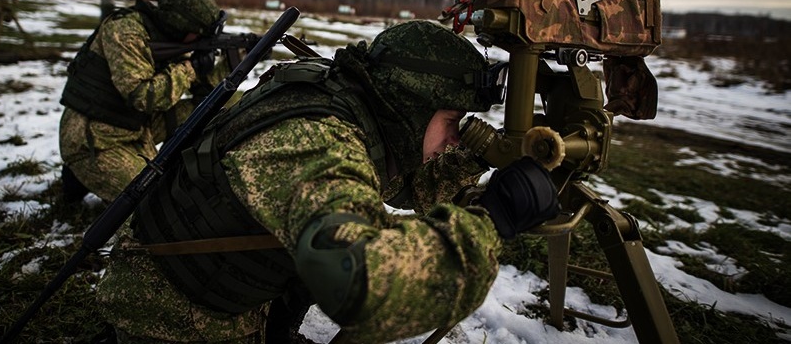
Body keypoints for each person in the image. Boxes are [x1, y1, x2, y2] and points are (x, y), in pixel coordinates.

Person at [95, 20, 560, 343]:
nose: (456, 137)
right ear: (412, 105)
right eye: (452, 121)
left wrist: (475, 159)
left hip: (217, 292)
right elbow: (359, 284)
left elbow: (401, 186)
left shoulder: (353, 101)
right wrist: (490, 224)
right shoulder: (319, 138)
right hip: (175, 319)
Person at [58, 0, 229, 203]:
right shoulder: (126, 32)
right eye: (197, 34)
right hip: (96, 137)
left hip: (135, 125)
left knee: (216, 108)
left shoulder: (169, 36)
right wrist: (190, 68)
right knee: (157, 202)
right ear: (180, 25)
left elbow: (203, 92)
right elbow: (142, 96)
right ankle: (82, 169)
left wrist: (227, 64)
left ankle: (87, 175)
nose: (199, 40)